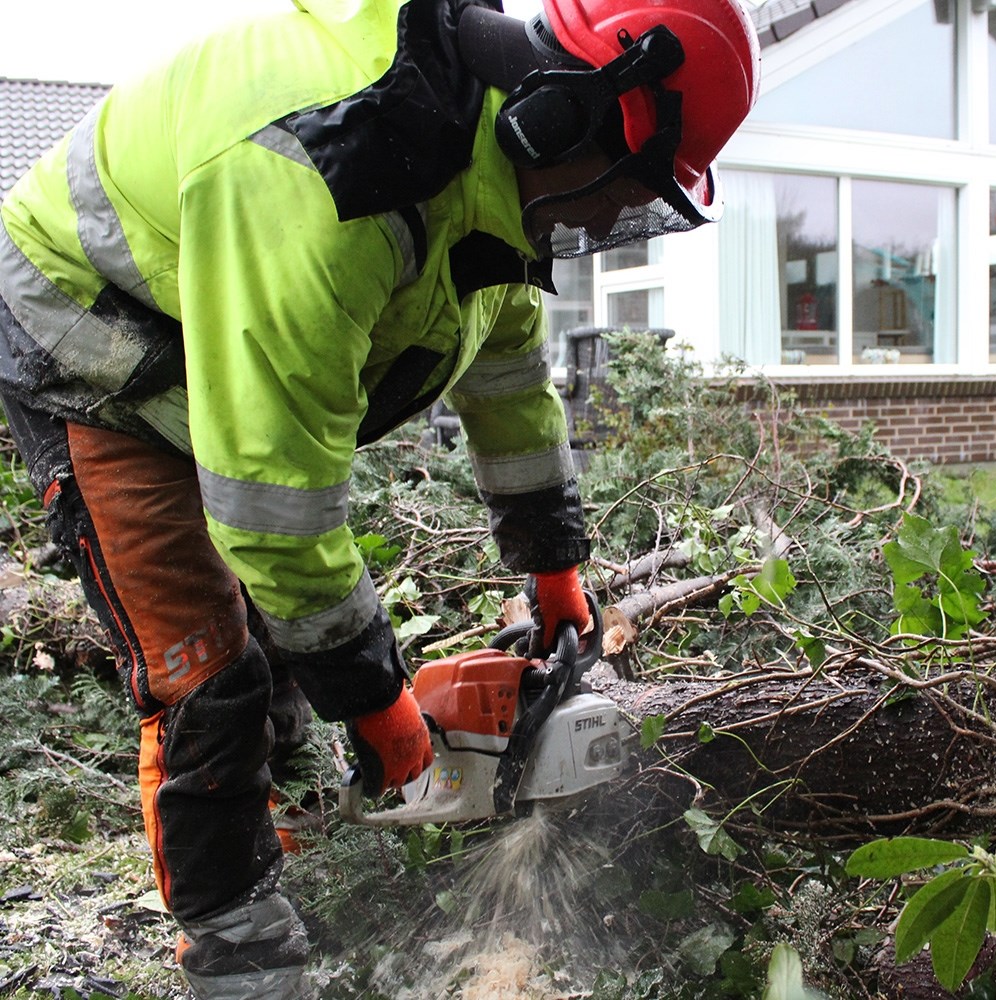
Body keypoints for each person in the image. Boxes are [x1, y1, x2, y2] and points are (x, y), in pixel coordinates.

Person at [0, 0, 758, 995]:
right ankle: (240, 960)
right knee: (207, 672)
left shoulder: (487, 184)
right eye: (620, 188)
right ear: (563, 118)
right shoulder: (338, 173)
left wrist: (555, 571)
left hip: (214, 337)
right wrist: (379, 706)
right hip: (94, 343)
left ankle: (298, 857)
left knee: (279, 636)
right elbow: (274, 508)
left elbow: (511, 389)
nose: (608, 217)